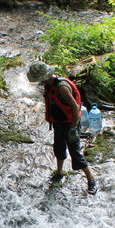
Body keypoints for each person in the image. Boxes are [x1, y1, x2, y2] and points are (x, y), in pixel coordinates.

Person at [27, 61, 98, 195]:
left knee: (75, 152)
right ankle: (59, 173)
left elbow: (75, 107)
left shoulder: (61, 87)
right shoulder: (48, 84)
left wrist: (73, 128)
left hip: (70, 123)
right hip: (59, 123)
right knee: (58, 148)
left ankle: (91, 179)